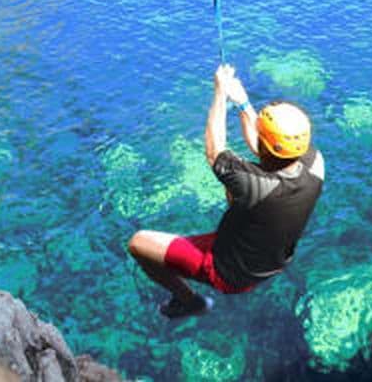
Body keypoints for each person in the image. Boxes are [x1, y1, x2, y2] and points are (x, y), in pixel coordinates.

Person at [128, 64, 325, 318]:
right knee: (236, 194)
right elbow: (263, 147)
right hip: (271, 260)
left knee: (138, 243)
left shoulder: (256, 186)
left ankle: (190, 302)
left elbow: (214, 150)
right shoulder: (316, 164)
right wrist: (242, 103)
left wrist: (220, 92)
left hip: (229, 272)